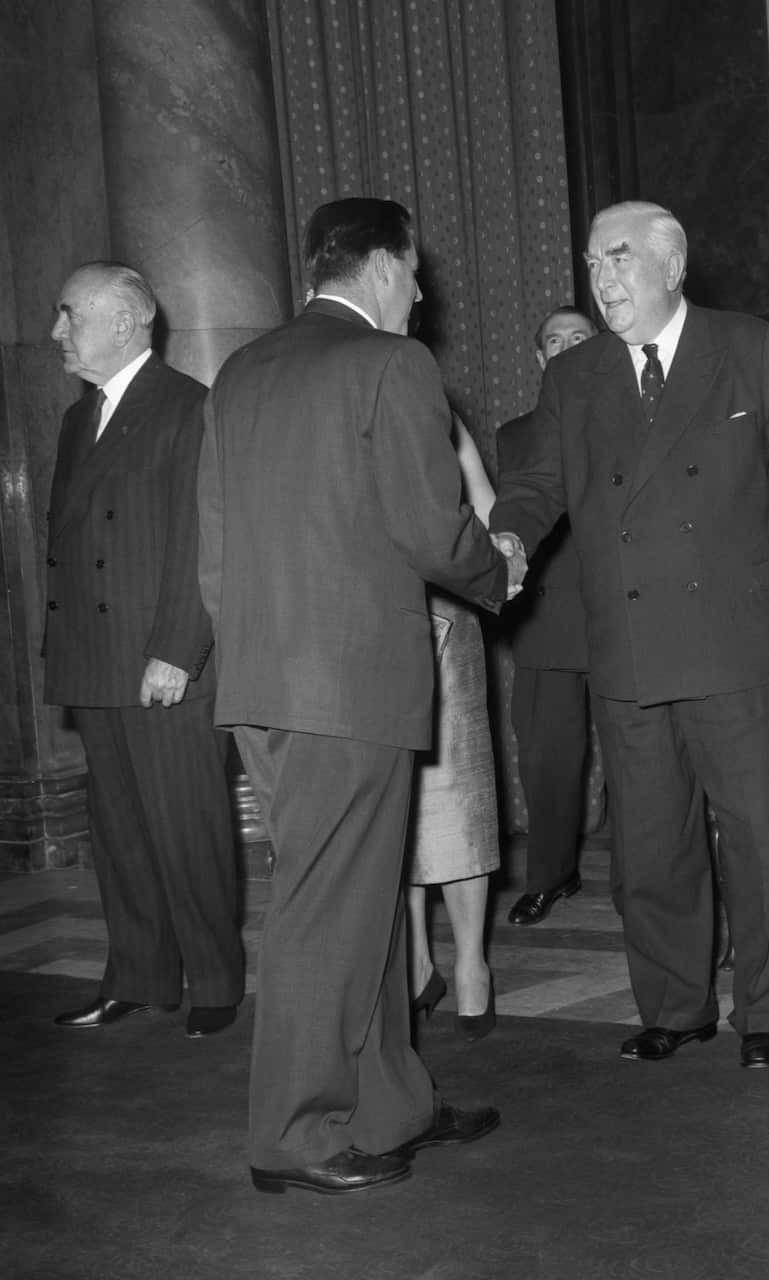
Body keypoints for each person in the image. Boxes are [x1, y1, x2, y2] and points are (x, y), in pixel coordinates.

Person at [199, 197, 522, 1195]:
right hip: (346, 684)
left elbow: (212, 548)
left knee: (363, 899)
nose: (420, 292)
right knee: (320, 911)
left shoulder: (242, 370)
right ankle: (292, 1135)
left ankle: (389, 1104)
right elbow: (432, 527)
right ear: (381, 266)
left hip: (264, 680)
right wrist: (497, 566)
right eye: (414, 271)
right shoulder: (390, 364)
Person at [490, 201, 769, 1070]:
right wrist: (508, 535)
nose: (602, 276)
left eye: (618, 257)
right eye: (591, 261)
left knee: (759, 838)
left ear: (673, 264)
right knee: (652, 840)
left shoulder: (749, 346)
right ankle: (675, 1005)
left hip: (740, 636)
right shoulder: (575, 376)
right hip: (630, 641)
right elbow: (538, 481)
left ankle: (765, 1014)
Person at [44, 261, 242, 1040]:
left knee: (186, 825)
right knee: (120, 832)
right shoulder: (74, 419)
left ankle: (216, 981)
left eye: (69, 315)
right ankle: (141, 975)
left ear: (124, 321)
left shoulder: (188, 406)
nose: (58, 331)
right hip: (96, 657)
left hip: (161, 660)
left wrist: (177, 651)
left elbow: (204, 544)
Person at [499, 307, 597, 928]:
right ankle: (551, 874)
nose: (563, 349)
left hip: (622, 613)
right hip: (547, 615)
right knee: (545, 758)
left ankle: (655, 882)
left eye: (578, 339)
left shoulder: (631, 411)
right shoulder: (515, 435)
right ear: (539, 359)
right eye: (553, 342)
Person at [405, 415, 501, 1043]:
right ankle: (415, 961)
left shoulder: (436, 412)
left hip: (444, 616)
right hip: (368, 620)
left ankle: (471, 965)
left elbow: (489, 512)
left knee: (458, 797)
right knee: (395, 801)